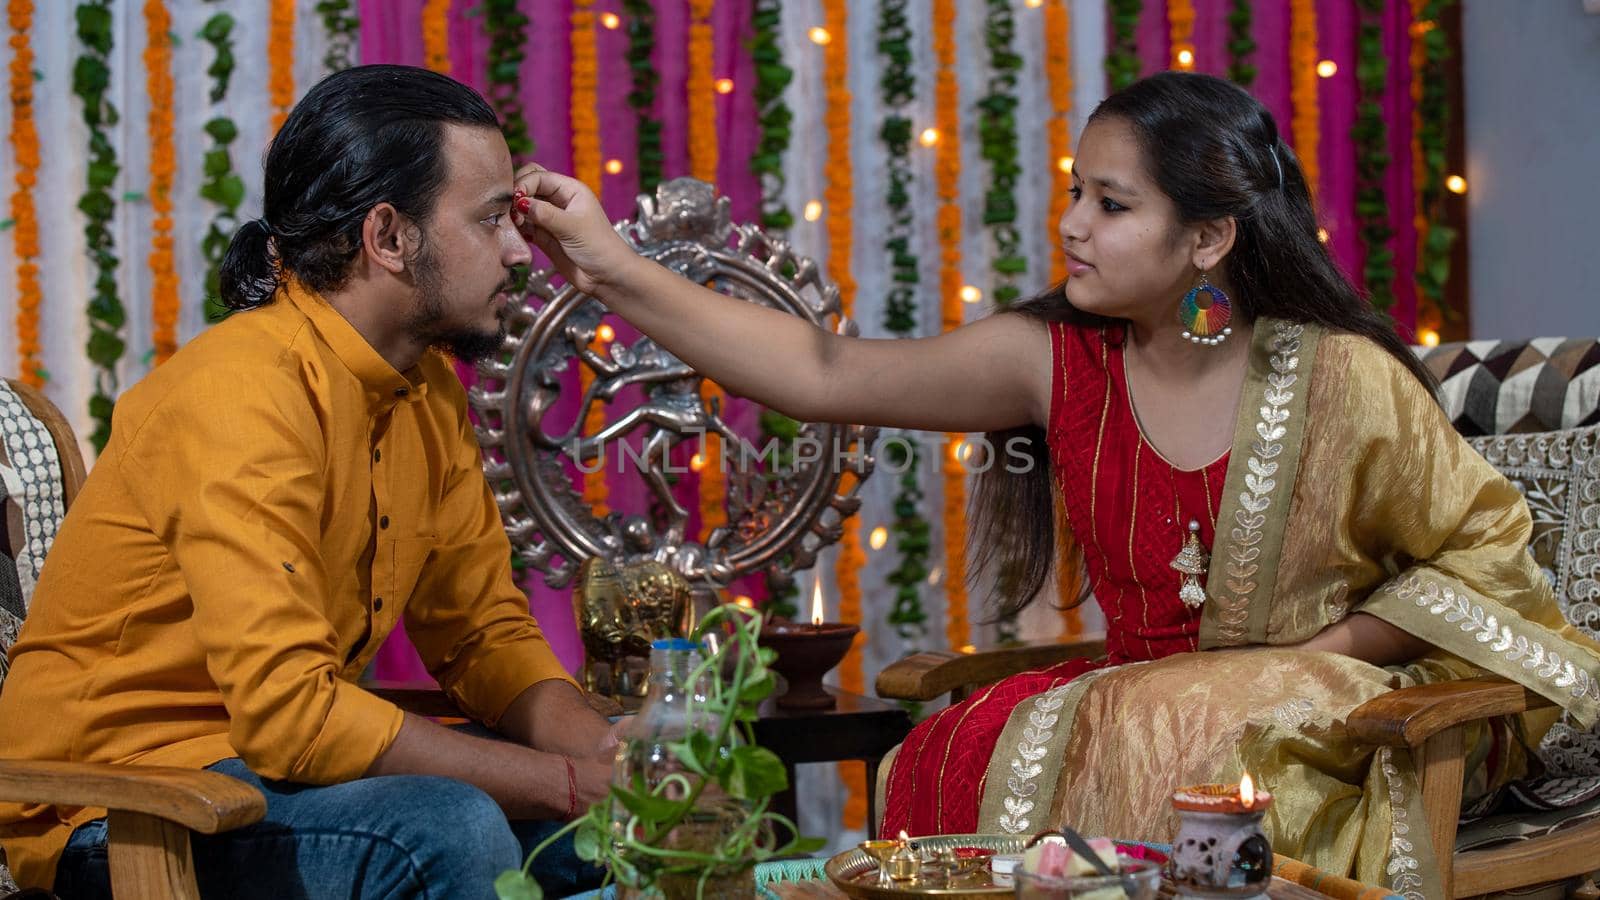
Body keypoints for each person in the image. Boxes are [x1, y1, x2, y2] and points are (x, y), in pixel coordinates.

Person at [511, 71, 1600, 896]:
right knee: (939, 746)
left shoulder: (1340, 378)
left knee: (1170, 730)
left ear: (1209, 235)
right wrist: (610, 264)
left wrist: (1323, 657)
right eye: (1079, 193)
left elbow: (1483, 552)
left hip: (1311, 722)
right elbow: (823, 372)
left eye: (1112, 205)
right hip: (1129, 705)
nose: (1072, 224)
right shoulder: (1060, 358)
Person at [0, 65, 614, 899]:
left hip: (269, 777)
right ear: (389, 236)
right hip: (122, 807)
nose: (519, 251)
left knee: (616, 829)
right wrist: (558, 782)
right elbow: (293, 715)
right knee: (451, 830)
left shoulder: (426, 393)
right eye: (490, 219)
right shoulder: (242, 392)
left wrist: (609, 760)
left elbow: (483, 634)